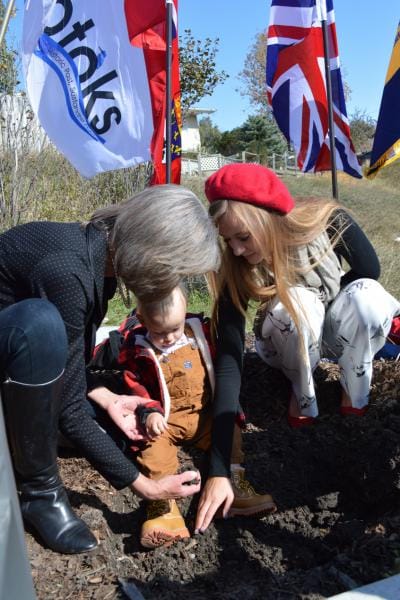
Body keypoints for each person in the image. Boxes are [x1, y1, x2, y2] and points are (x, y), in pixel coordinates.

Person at [0, 184, 220, 555]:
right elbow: (67, 405)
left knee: (118, 437)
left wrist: (107, 396)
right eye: (174, 270)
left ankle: (20, 436)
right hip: (17, 355)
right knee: (39, 322)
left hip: (18, 368)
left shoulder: (98, 261)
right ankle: (39, 491)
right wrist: (146, 487)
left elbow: (68, 366)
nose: (171, 283)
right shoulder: (68, 272)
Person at [194, 162, 400, 534]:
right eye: (229, 241)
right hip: (283, 340)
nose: (237, 250)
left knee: (367, 297)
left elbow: (368, 271)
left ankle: (356, 395)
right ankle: (301, 394)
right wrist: (220, 468)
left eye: (243, 237)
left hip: (328, 332)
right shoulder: (232, 267)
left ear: (267, 219)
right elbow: (229, 360)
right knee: (298, 306)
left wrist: (333, 316)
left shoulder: (328, 220)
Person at [90, 284, 276, 549]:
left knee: (230, 432)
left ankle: (235, 483)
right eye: (159, 332)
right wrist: (149, 411)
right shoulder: (139, 349)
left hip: (204, 415)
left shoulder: (200, 333)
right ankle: (163, 509)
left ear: (185, 313)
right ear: (143, 321)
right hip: (166, 421)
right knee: (151, 450)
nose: (168, 338)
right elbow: (136, 386)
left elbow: (225, 359)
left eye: (174, 329)